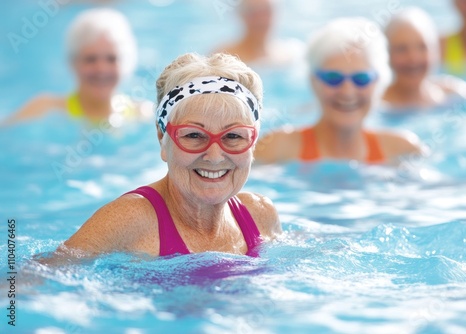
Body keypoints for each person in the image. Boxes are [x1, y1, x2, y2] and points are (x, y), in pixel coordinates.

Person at [44, 53, 281, 260]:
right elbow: (30, 284)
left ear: (253, 141)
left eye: (233, 136)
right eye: (194, 135)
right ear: (162, 137)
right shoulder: (129, 220)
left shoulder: (260, 216)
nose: (215, 156)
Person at [254, 17, 423, 164]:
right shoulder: (275, 150)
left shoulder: (403, 151)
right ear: (314, 81)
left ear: (378, 83)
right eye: (333, 78)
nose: (347, 91)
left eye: (361, 79)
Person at [1, 8, 150, 127]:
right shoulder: (45, 110)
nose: (102, 69)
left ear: (126, 63)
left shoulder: (142, 114)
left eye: (111, 59)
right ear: (74, 63)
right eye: (90, 59)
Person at [383, 7, 466, 110]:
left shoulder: (453, 93)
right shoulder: (378, 104)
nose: (413, 58)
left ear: (435, 51)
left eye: (422, 47)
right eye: (402, 49)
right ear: (387, 55)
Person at [213, 0, 304, 68]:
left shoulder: (292, 52)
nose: (261, 20)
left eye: (266, 11)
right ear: (241, 15)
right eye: (253, 12)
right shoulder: (223, 58)